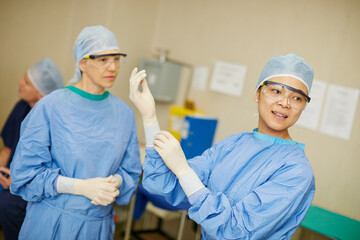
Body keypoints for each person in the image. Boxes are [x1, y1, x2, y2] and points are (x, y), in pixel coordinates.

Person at [129, 53, 316, 239]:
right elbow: (164, 184)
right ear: (257, 93)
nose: (285, 103)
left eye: (297, 98)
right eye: (277, 91)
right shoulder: (234, 144)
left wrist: (183, 170)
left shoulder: (296, 171)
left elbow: (235, 232)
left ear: (303, 107)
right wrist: (150, 119)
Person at [10, 25, 141, 240]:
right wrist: (79, 186)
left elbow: (131, 172)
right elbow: (25, 174)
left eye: (116, 59)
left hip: (98, 227)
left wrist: (114, 183)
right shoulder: (52, 106)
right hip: (52, 223)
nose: (113, 67)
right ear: (82, 63)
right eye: (103, 60)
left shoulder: (124, 114)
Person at [0, 58, 63, 240]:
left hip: (35, 187)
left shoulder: (54, 121)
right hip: (9, 178)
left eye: (27, 82)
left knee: (6, 204)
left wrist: (18, 180)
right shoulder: (21, 107)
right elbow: (7, 150)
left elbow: (51, 171)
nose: (20, 82)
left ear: (41, 93)